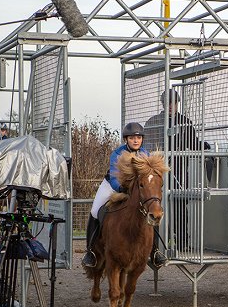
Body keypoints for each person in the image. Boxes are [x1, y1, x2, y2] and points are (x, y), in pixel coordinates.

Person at [82, 122, 167, 268]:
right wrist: (122, 189)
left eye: (139, 137)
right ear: (126, 139)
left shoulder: (145, 154)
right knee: (95, 210)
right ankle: (90, 252)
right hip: (113, 186)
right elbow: (115, 177)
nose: (136, 140)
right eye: (132, 137)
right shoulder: (117, 153)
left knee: (152, 212)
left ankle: (155, 251)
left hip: (136, 190)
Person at [144, 89, 203, 251]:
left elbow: (193, 144)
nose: (171, 106)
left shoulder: (185, 122)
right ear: (163, 103)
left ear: (177, 103)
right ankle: (153, 245)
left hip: (178, 171)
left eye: (174, 102)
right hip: (157, 173)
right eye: (168, 102)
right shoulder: (153, 122)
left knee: (180, 205)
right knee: (154, 205)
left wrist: (204, 147)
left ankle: (182, 243)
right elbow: (147, 146)